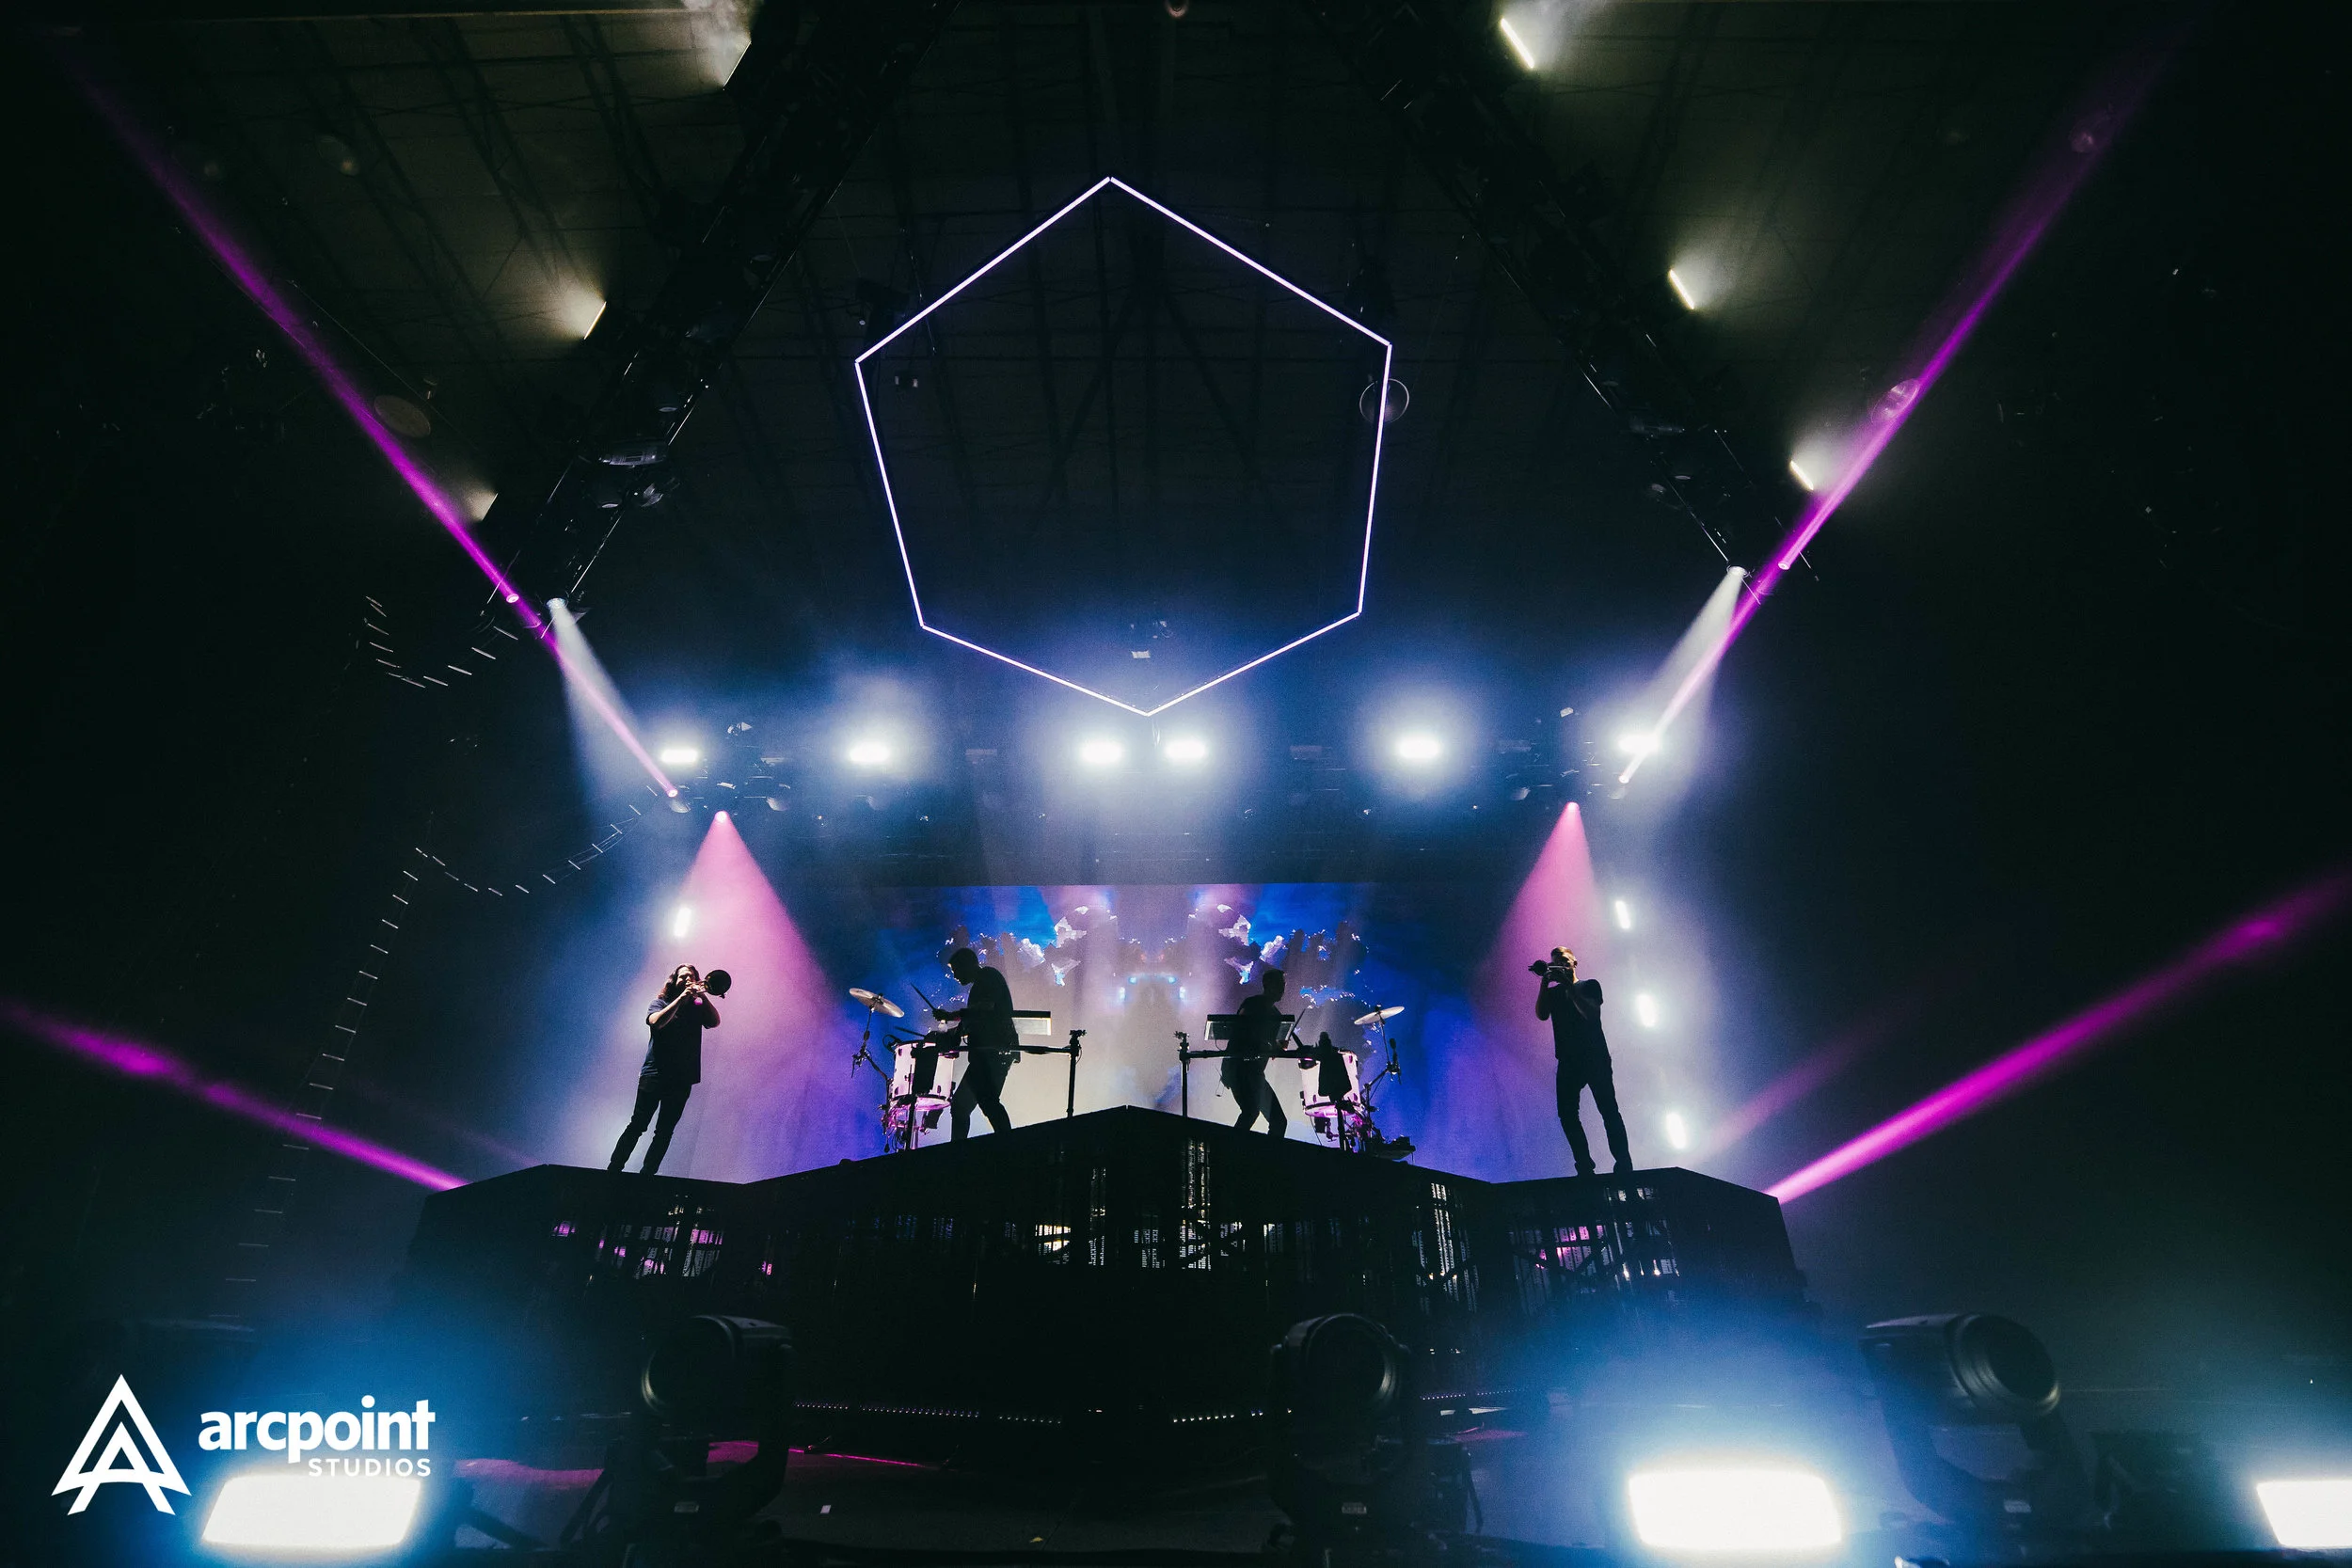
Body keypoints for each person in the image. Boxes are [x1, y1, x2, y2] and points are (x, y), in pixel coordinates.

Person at [611, 963, 721, 1175]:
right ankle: (614, 1170)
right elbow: (656, 1023)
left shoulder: (698, 1008)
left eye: (692, 976)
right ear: (674, 981)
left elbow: (715, 1022)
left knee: (664, 1132)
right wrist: (681, 999)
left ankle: (647, 1176)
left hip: (682, 1079)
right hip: (654, 1075)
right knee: (638, 1125)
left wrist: (702, 996)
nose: (687, 979)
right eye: (683, 976)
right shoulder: (660, 1002)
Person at [1534, 946, 1632, 1176]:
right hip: (1568, 1060)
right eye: (1555, 961)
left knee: (1608, 1110)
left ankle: (1624, 1164)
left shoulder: (1590, 985)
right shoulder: (1554, 992)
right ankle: (1584, 1166)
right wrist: (1544, 982)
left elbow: (1591, 1015)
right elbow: (1541, 1014)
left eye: (1564, 960)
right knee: (1566, 1114)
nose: (1561, 963)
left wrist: (1568, 986)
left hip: (1595, 1057)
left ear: (1575, 962)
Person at [933, 947, 1016, 1141]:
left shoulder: (988, 977)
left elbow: (984, 1009)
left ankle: (1010, 1145)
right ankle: (961, 1152)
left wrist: (951, 1017)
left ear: (967, 965)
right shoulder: (982, 982)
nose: (954, 976)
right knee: (963, 1106)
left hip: (993, 1053)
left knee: (986, 1103)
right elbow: (973, 1019)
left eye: (955, 971)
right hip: (984, 1055)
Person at [1224, 967, 1291, 1136]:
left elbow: (1270, 1045)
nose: (1283, 989)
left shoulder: (1276, 1014)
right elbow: (1241, 1033)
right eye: (1280, 984)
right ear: (1267, 985)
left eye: (1284, 985)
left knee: (1268, 1117)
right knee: (1253, 1112)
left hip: (1254, 1073)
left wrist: (1277, 1046)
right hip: (1240, 1069)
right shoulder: (1252, 1004)